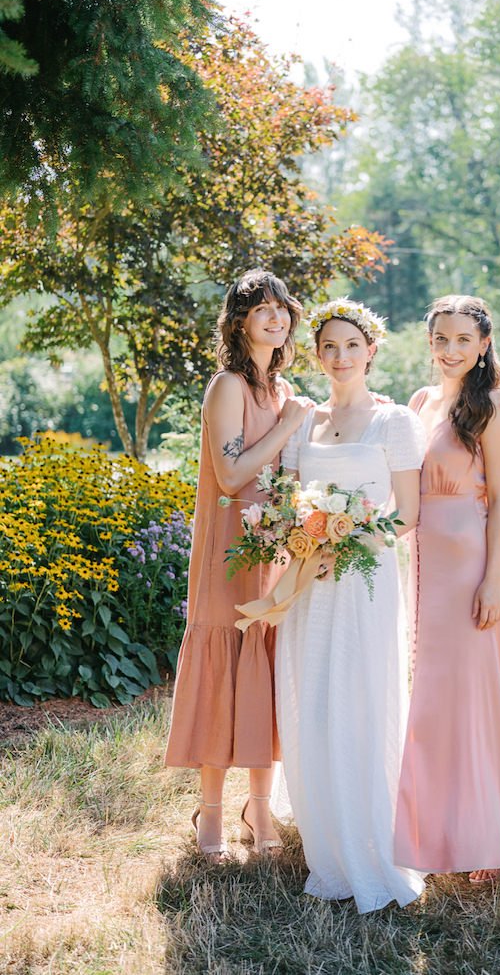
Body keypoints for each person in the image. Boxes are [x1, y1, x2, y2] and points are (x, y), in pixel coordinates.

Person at [273, 298, 428, 910]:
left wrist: (348, 538)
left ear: (371, 352)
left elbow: (408, 515)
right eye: (328, 347)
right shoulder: (303, 423)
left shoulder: (393, 423)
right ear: (316, 355)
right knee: (311, 697)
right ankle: (324, 836)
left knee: (361, 698)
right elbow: (285, 502)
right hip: (311, 582)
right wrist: (307, 536)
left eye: (351, 347)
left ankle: (369, 835)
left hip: (363, 580)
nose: (340, 358)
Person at [164, 270, 309, 861]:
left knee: (265, 667)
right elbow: (230, 474)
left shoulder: (283, 388)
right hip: (228, 545)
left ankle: (260, 807)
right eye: (262, 310)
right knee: (223, 660)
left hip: (272, 545)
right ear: (240, 321)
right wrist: (291, 425)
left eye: (282, 309)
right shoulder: (228, 386)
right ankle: (212, 811)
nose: (276, 318)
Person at [394, 295, 500, 882]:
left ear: (483, 345)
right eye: (441, 340)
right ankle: (441, 831)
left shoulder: (493, 411)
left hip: (471, 563)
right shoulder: (421, 403)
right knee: (432, 698)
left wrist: (494, 577)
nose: (450, 351)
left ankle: (489, 838)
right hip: (423, 564)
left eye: (462, 340)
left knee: (473, 697)